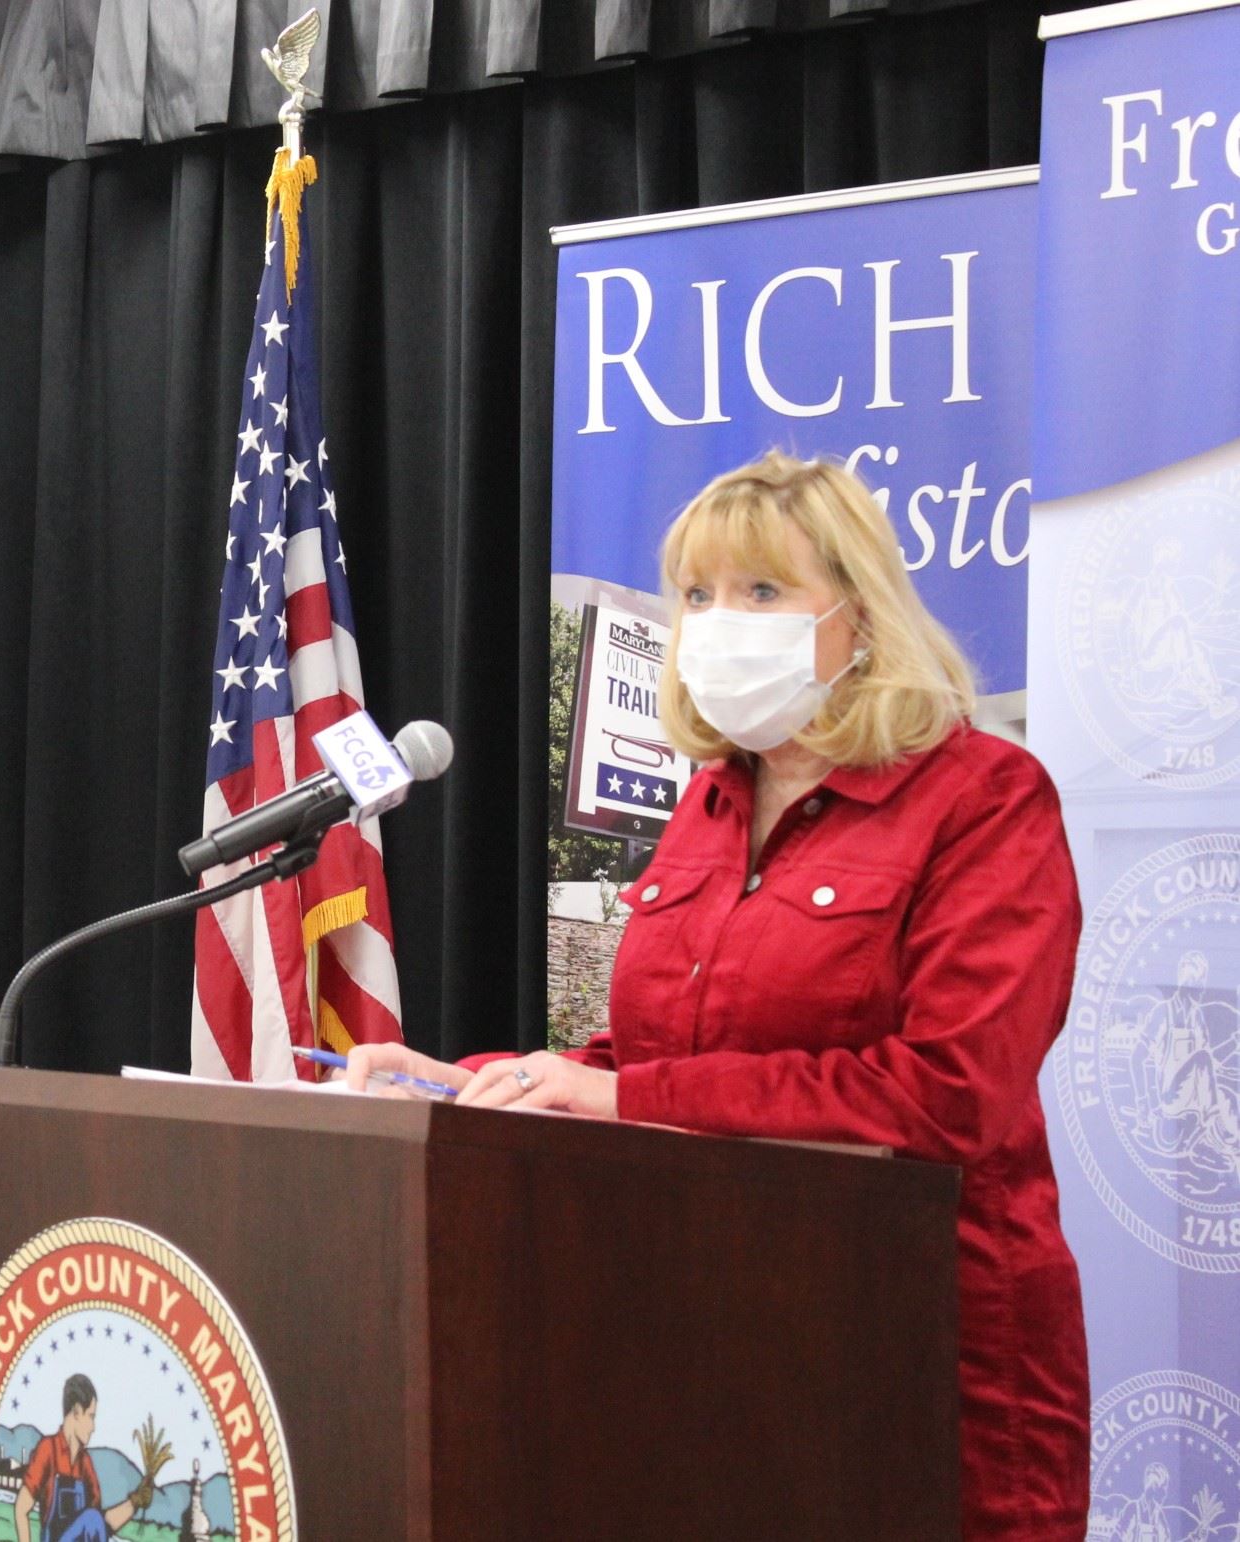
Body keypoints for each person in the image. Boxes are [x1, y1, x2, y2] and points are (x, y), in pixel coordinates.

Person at [349, 450, 1090, 1540]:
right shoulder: (708, 799)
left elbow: (950, 1095)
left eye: (760, 592)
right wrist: (475, 1086)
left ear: (861, 617)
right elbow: (655, 1050)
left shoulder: (984, 797)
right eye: (696, 597)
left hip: (929, 1353)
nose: (717, 622)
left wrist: (623, 1100)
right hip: (715, 1342)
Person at [14, 1374, 151, 1541]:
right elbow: (21, 1509)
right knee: (92, 1519)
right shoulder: (48, 1450)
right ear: (77, 1411)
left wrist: (135, 1502)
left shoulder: (85, 1463)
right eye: (91, 1416)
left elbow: (103, 1524)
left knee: (94, 1519)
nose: (93, 1427)